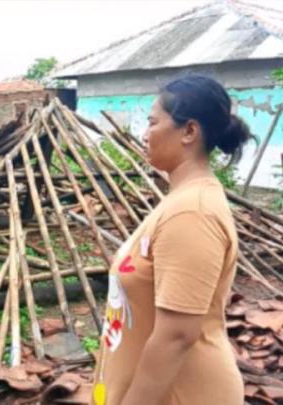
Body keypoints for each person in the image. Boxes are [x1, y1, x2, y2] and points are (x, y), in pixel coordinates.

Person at [92, 74, 251, 405]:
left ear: (189, 131)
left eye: (152, 122)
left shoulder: (193, 213)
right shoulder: (181, 201)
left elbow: (177, 335)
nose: (144, 134)